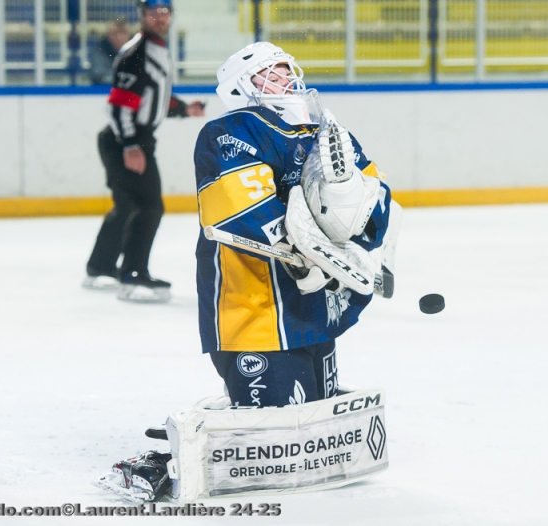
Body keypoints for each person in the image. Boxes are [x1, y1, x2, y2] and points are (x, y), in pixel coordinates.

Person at [94, 42, 394, 502]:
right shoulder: (231, 130)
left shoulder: (328, 131)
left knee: (318, 420)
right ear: (240, 89)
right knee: (271, 435)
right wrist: (318, 253)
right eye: (268, 75)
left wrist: (359, 245)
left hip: (313, 305)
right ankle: (166, 461)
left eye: (285, 70)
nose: (284, 80)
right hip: (253, 307)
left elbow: (372, 195)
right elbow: (240, 211)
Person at [83, 0, 205, 302]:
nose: (160, 17)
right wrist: (131, 145)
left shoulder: (157, 49)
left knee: (128, 205)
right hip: (126, 141)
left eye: (165, 12)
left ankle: (100, 267)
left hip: (129, 139)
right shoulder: (137, 52)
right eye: (153, 12)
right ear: (142, 16)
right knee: (149, 206)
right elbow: (119, 105)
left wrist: (183, 109)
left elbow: (154, 96)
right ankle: (133, 274)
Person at [88, 19, 132, 85]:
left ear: (129, 34)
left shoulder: (137, 51)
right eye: (115, 33)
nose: (119, 37)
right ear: (108, 35)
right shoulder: (100, 51)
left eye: (123, 32)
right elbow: (98, 76)